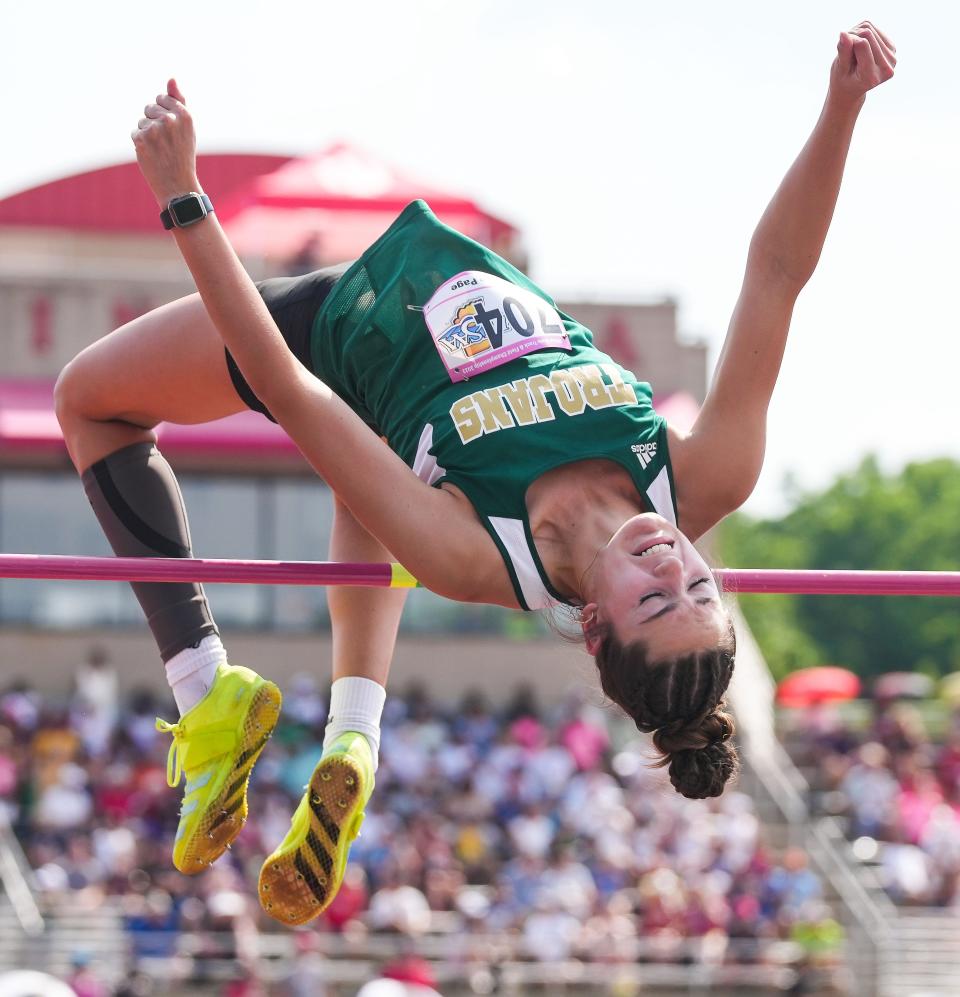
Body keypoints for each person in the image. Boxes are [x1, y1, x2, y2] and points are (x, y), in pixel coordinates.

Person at [54, 22, 896, 926]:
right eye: (697, 582)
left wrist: (185, 202)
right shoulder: (706, 473)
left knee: (88, 401)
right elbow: (775, 275)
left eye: (656, 598)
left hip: (333, 327)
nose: (671, 561)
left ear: (597, 628)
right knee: (374, 477)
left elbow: (290, 389)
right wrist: (844, 106)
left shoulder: (478, 555)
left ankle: (206, 687)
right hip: (397, 385)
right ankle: (353, 736)